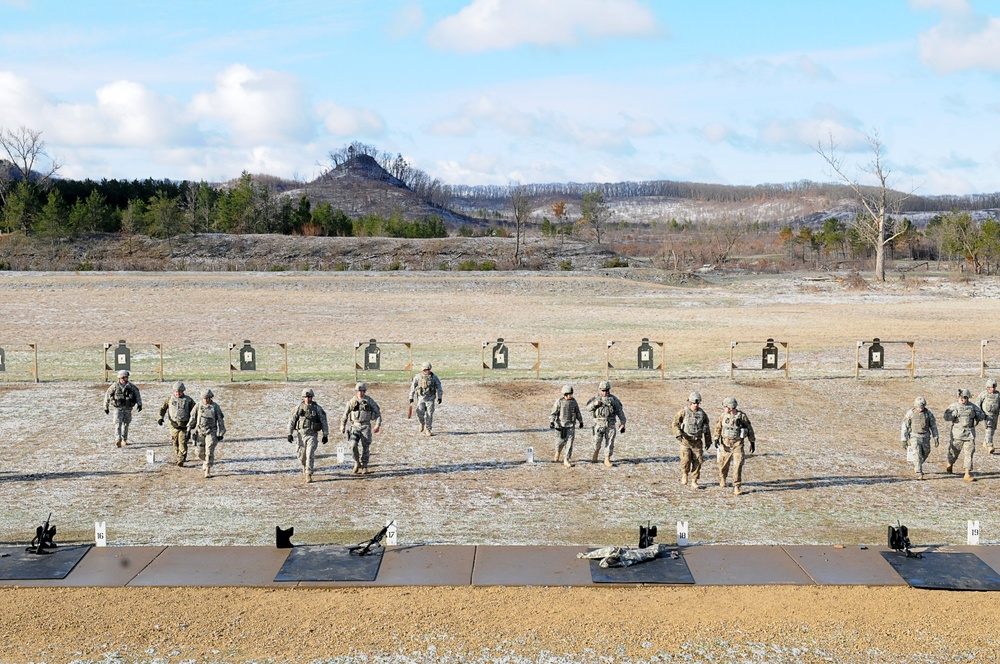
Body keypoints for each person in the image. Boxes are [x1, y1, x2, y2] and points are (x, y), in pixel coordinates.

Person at [713, 396, 757, 495]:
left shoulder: (742, 416)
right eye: (727, 407)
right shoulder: (723, 416)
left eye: (731, 408)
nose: (729, 410)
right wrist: (716, 438)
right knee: (723, 464)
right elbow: (718, 427)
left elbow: (749, 428)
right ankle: (723, 478)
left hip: (738, 444)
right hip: (725, 444)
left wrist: (752, 441)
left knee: (738, 465)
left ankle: (736, 486)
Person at [943, 388, 986, 482]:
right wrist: (953, 414)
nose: (962, 399)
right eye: (961, 397)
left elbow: (982, 416)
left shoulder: (973, 407)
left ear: (968, 398)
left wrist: (976, 414)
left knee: (969, 454)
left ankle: (967, 474)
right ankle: (950, 463)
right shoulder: (953, 406)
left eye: (964, 397)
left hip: (969, 434)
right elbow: (946, 417)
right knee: (954, 453)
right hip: (957, 434)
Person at [287, 388, 330, 483]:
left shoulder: (317, 408)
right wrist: (289, 433)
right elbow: (292, 420)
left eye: (309, 397)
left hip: (312, 435)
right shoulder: (299, 407)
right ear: (303, 397)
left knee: (310, 453)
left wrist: (325, 434)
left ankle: (308, 473)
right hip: (301, 435)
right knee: (302, 455)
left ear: (312, 397)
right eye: (306, 397)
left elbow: (324, 421)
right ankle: (304, 466)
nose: (308, 399)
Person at [672, 391, 712, 489]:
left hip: (697, 442)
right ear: (690, 402)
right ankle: (685, 474)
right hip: (686, 441)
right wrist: (678, 434)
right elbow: (675, 423)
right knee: (685, 460)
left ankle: (694, 480)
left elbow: (707, 428)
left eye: (697, 403)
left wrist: (708, 441)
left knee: (698, 461)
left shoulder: (702, 414)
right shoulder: (683, 412)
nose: (696, 405)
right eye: (694, 403)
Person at [340, 382, 382, 475]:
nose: (360, 393)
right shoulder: (352, 401)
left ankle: (364, 465)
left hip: (366, 426)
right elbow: (345, 414)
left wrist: (377, 425)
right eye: (359, 391)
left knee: (365, 447)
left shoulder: (369, 401)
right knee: (353, 445)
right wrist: (342, 425)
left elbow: (378, 413)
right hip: (355, 426)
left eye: (362, 391)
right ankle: (357, 462)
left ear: (365, 391)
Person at [585, 380, 626, 467]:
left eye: (607, 390)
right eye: (603, 390)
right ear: (600, 390)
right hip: (599, 424)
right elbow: (587, 408)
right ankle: (595, 453)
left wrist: (623, 422)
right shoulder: (595, 398)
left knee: (610, 442)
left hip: (610, 424)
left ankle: (607, 459)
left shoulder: (613, 399)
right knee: (597, 441)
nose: (605, 392)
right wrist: (594, 404)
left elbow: (620, 411)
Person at [187, 388, 226, 479]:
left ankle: (207, 469)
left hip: (211, 431)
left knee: (209, 450)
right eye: (204, 398)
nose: (206, 400)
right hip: (200, 431)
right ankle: (205, 461)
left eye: (207, 398)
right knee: (199, 452)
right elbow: (193, 418)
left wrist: (221, 433)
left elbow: (220, 420)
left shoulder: (215, 407)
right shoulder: (198, 406)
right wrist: (189, 429)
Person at [900, 396, 939, 480]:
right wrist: (904, 439)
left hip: (925, 437)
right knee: (917, 454)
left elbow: (933, 426)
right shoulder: (910, 413)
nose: (920, 409)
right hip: (914, 436)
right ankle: (919, 473)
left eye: (922, 407)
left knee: (926, 452)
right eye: (918, 407)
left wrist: (936, 437)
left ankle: (917, 464)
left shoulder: (928, 413)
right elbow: (905, 427)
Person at [157, 381, 195, 466]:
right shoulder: (169, 399)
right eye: (176, 392)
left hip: (185, 426)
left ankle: (180, 458)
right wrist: (160, 418)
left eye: (179, 392)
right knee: (175, 442)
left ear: (183, 391)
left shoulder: (188, 400)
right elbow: (162, 408)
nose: (178, 393)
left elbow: (195, 411)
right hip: (173, 426)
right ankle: (179, 455)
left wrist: (193, 423)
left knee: (182, 441)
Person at [103, 369, 142, 447]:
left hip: (128, 409)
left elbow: (137, 395)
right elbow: (107, 396)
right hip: (118, 409)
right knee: (118, 424)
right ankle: (118, 439)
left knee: (126, 424)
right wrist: (105, 407)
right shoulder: (114, 387)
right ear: (120, 378)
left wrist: (139, 404)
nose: (126, 379)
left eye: (127, 377)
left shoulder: (132, 387)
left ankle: (124, 439)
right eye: (125, 377)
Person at [550, 385, 584, 467]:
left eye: (571, 394)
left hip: (571, 426)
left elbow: (577, 412)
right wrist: (552, 422)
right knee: (560, 442)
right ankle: (557, 453)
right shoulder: (559, 402)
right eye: (570, 394)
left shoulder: (574, 402)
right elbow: (553, 413)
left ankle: (566, 459)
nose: (571, 396)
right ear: (565, 394)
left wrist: (580, 421)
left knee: (569, 443)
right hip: (561, 426)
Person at [409, 361, 443, 436]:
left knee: (429, 414)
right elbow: (413, 387)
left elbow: (439, 386)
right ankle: (421, 423)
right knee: (419, 412)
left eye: (428, 370)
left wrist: (440, 396)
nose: (427, 371)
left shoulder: (434, 377)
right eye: (425, 370)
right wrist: (411, 397)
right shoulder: (418, 377)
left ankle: (428, 429)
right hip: (421, 398)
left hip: (430, 398)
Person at [976, 378, 1000, 454]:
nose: (993, 389)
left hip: (995, 416)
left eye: (994, 387)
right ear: (988, 387)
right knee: (989, 429)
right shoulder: (983, 394)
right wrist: (980, 413)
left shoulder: (998, 395)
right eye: (991, 387)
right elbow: (977, 404)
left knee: (992, 430)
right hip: (986, 416)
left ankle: (985, 442)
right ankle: (989, 445)